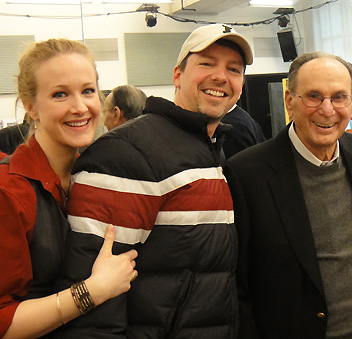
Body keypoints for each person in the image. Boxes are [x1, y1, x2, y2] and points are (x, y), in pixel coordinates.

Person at [57, 24, 253, 338]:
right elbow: (93, 299)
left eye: (234, 69)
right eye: (207, 63)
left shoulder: (210, 150)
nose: (221, 77)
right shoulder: (127, 152)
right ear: (177, 74)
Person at [225, 51, 352, 339]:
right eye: (313, 96)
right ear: (289, 101)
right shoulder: (246, 173)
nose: (327, 109)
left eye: (338, 97)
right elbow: (238, 285)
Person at [0, 38, 137, 339]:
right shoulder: (9, 192)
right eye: (60, 94)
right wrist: (92, 292)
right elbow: (3, 322)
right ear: (31, 107)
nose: (80, 107)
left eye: (88, 91)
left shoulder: (95, 176)